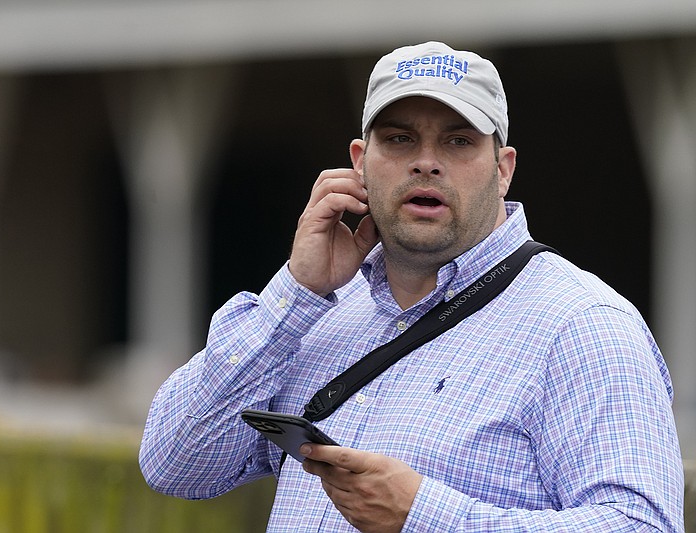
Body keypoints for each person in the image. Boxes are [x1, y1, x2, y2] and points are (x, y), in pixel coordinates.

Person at [139, 41, 684, 532]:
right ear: (359, 163)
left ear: (503, 169)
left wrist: (422, 516)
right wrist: (297, 292)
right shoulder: (313, 313)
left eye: (457, 141)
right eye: (400, 139)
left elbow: (640, 526)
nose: (426, 163)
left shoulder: (583, 323)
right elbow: (175, 464)